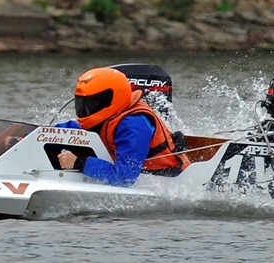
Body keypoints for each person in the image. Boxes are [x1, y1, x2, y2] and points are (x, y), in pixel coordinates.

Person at [56, 66, 189, 187]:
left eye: (91, 103)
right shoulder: (109, 114)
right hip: (133, 174)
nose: (85, 109)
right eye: (82, 103)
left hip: (162, 180)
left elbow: (125, 178)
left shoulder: (134, 125)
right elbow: (78, 128)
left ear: (110, 100)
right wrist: (42, 134)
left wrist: (79, 162)